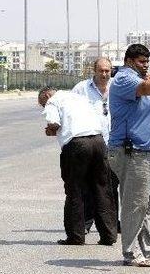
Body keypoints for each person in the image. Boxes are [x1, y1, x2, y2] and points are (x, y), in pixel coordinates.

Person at [108, 44, 150, 267]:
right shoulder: (124, 79)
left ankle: (148, 249)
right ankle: (131, 252)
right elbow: (146, 89)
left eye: (147, 62)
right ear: (129, 61)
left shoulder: (146, 79)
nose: (145, 66)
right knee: (135, 204)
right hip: (135, 151)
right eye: (141, 62)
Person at [38, 86, 117, 246]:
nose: (44, 106)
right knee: (102, 188)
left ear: (47, 95)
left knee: (75, 190)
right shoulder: (78, 97)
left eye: (42, 103)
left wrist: (50, 130)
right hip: (98, 141)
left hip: (77, 144)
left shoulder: (53, 101)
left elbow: (53, 123)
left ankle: (76, 236)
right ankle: (109, 235)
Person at [72, 57, 121, 234]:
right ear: (94, 70)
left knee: (111, 185)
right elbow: (70, 111)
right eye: (101, 70)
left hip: (113, 143)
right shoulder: (81, 89)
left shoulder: (117, 87)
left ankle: (112, 222)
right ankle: (85, 221)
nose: (104, 74)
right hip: (89, 143)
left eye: (107, 71)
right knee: (87, 185)